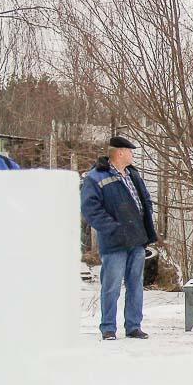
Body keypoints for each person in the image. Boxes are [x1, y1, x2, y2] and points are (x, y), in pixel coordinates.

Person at [81, 135, 157, 340]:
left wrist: (146, 220)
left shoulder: (133, 174)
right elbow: (91, 209)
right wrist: (112, 228)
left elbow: (145, 200)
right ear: (120, 153)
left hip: (137, 238)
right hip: (114, 241)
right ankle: (108, 328)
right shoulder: (96, 177)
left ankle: (133, 326)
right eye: (130, 151)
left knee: (135, 284)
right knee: (111, 285)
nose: (133, 155)